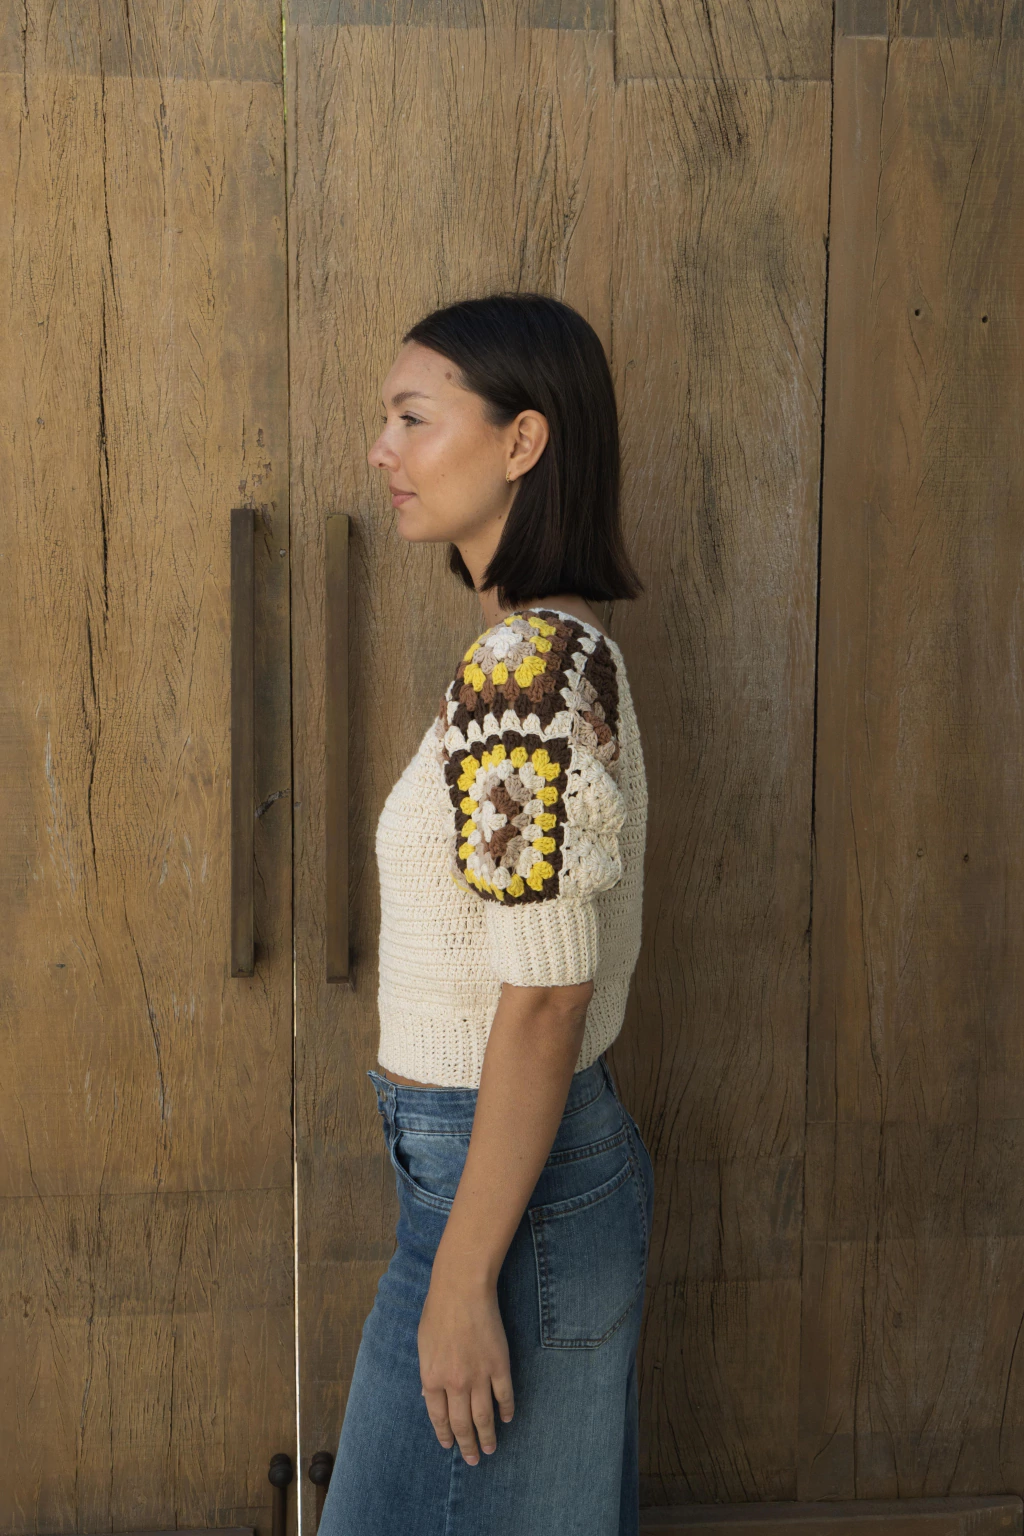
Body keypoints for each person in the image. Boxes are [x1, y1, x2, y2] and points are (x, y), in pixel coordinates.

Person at [318, 292, 652, 1536]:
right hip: (501, 1178)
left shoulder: (524, 672)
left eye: (414, 418)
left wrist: (461, 1282)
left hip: (506, 1195)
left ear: (522, 440)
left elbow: (550, 993)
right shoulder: (548, 655)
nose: (382, 451)